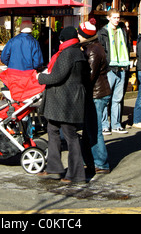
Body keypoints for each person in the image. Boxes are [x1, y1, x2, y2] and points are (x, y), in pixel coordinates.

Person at [37, 26, 86, 184]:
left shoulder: (67, 53)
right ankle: (54, 167)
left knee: (70, 135)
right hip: (67, 100)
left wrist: (40, 77)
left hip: (64, 101)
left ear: (63, 39)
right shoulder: (78, 51)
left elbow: (57, 77)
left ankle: (75, 174)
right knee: (53, 130)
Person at [78, 20, 111, 174]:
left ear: (85, 35)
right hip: (97, 93)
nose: (77, 35)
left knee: (94, 129)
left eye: (79, 33)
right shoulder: (93, 47)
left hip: (97, 94)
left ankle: (101, 163)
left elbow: (89, 76)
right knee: (88, 129)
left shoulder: (92, 50)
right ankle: (89, 160)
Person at [98, 8, 131, 134]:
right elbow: (101, 51)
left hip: (122, 67)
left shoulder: (122, 31)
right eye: (114, 17)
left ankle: (116, 124)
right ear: (109, 18)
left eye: (118, 17)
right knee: (106, 98)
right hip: (109, 68)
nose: (117, 19)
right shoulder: (103, 32)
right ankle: (105, 124)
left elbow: (126, 47)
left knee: (117, 99)